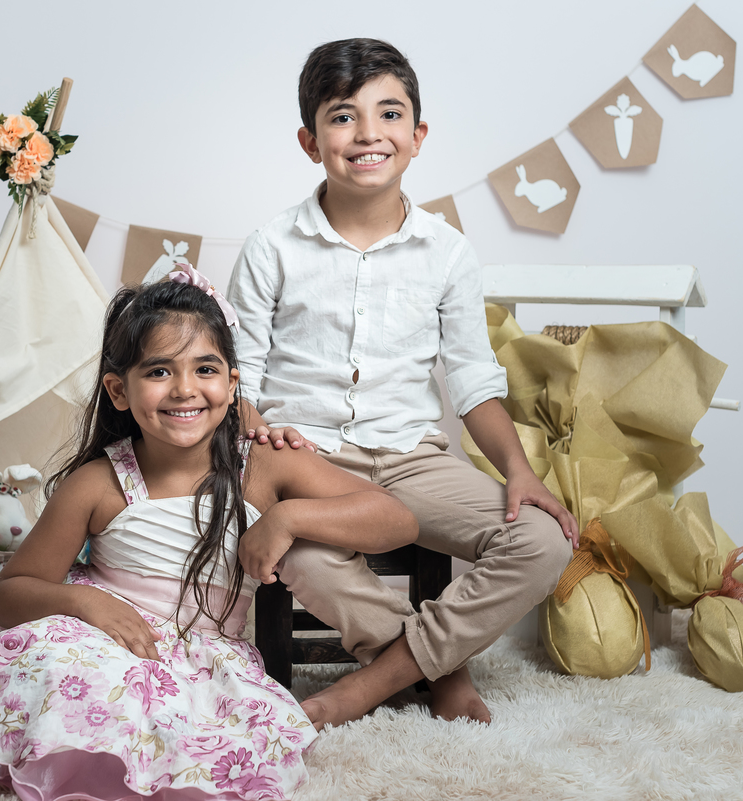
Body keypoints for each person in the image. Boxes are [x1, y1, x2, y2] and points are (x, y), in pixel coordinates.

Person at [0, 266, 418, 800]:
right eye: (159, 372)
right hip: (91, 638)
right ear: (119, 390)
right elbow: (10, 595)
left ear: (232, 384)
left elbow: (396, 518)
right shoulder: (98, 482)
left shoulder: (265, 465)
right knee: (52, 670)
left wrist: (287, 517)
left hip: (202, 656)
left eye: (205, 368)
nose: (184, 389)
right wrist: (82, 603)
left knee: (203, 744)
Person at [227, 38, 579, 729]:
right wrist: (259, 438)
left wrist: (518, 470)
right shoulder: (272, 246)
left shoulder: (447, 251)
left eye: (389, 114)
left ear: (417, 137)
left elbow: (473, 379)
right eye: (343, 117)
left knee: (543, 541)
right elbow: (242, 374)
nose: (368, 134)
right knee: (302, 555)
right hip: (310, 461)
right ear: (310, 141)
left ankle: (368, 686)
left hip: (413, 457)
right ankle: (443, 670)